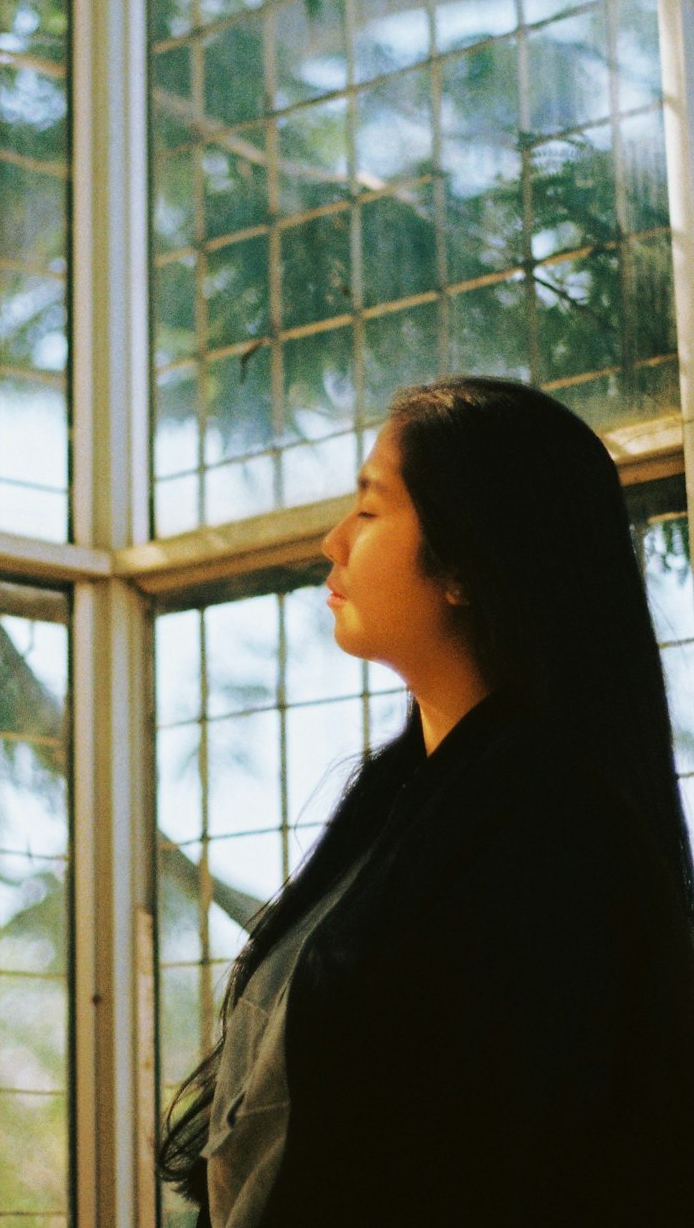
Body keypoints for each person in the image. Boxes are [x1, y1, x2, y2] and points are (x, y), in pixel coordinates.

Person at [157, 376, 694, 1227]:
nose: (333, 542)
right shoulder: (402, 803)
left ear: (467, 563)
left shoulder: (551, 834)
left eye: (369, 512)